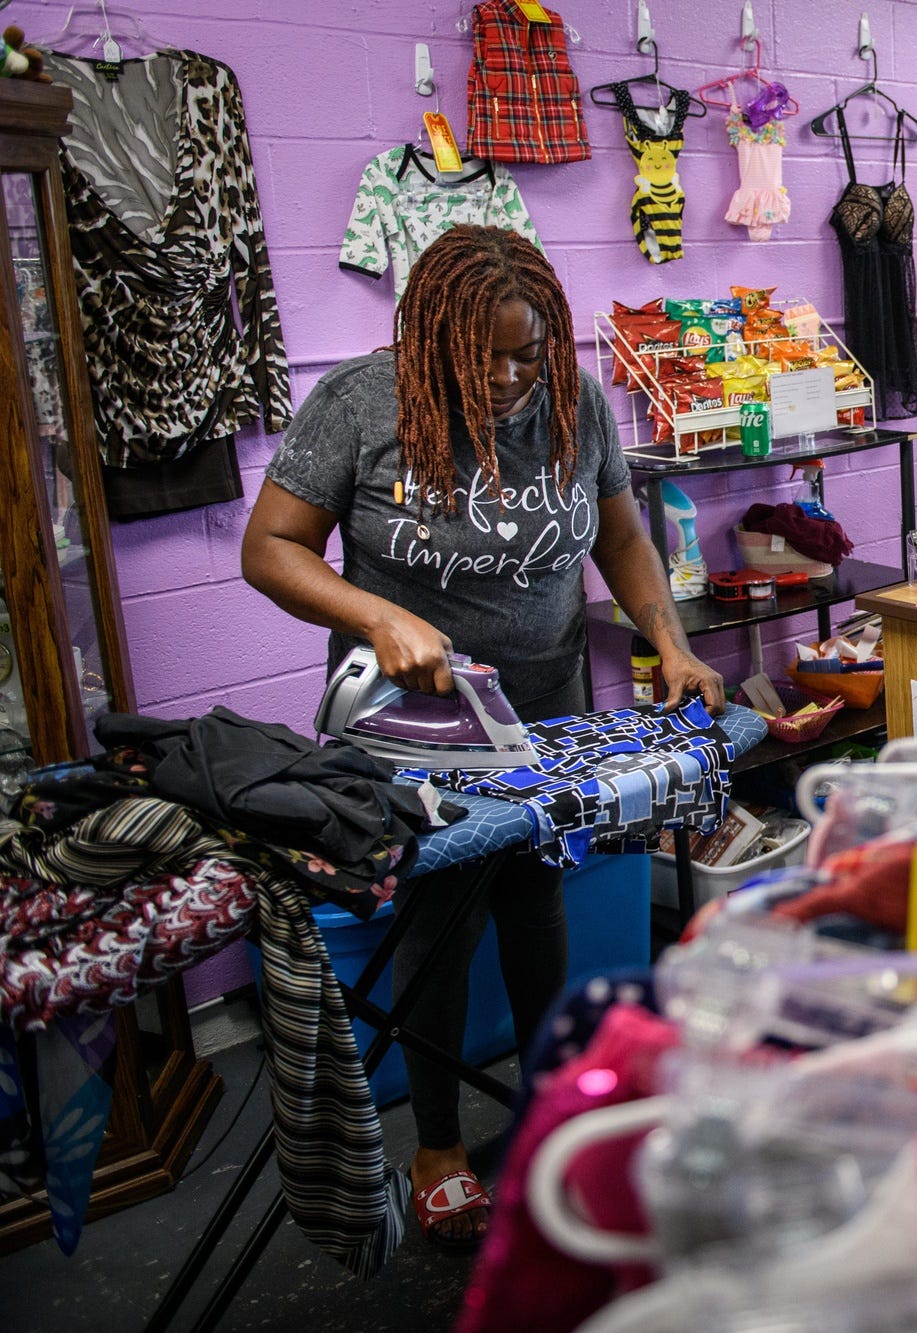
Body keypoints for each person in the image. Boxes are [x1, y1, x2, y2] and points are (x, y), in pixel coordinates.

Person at [242, 225, 722, 1249]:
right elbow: (270, 547)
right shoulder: (361, 407)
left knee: (533, 889)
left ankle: (555, 1097)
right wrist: (375, 616)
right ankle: (439, 1143)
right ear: (430, 344)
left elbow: (622, 534)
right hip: (410, 719)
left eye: (526, 352)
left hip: (542, 696)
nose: (510, 377)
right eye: (487, 357)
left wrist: (667, 640)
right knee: (442, 916)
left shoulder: (573, 399)